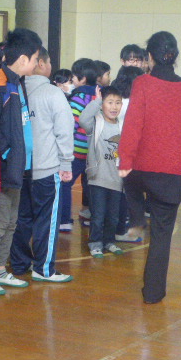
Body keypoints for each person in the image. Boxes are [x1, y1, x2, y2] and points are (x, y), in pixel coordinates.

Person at [119, 31, 181, 304]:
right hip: (174, 173)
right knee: (162, 236)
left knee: (128, 181)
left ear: (149, 56)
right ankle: (153, 293)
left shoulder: (143, 83)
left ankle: (137, 217)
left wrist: (125, 160)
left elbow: (133, 125)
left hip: (144, 169)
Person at [0, 28, 42, 290]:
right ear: (23, 59)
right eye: (35, 58)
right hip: (3, 169)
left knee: (11, 222)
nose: (37, 64)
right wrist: (5, 154)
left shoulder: (16, 82)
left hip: (17, 166)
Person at [11, 46, 74, 282]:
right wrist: (66, 163)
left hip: (19, 169)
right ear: (41, 64)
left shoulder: (15, 91)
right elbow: (64, 131)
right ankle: (44, 269)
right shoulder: (53, 93)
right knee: (47, 220)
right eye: (48, 63)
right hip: (47, 169)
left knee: (22, 219)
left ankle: (19, 264)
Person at [79, 85, 125, 257]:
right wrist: (97, 101)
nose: (114, 106)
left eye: (118, 103)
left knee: (113, 216)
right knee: (98, 215)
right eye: (109, 102)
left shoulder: (123, 126)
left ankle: (109, 241)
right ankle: (95, 242)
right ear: (102, 104)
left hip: (117, 181)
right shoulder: (95, 123)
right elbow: (83, 119)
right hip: (97, 178)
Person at [60, 58, 99, 231]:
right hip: (95, 151)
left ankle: (64, 220)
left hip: (78, 150)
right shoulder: (101, 95)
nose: (72, 81)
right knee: (92, 186)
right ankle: (92, 218)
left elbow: (72, 124)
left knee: (65, 183)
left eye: (74, 78)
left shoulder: (78, 97)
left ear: (82, 79)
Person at [110, 66, 145, 243]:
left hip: (112, 151)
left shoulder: (115, 101)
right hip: (127, 153)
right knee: (125, 194)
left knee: (115, 193)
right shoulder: (133, 103)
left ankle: (114, 228)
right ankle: (120, 229)